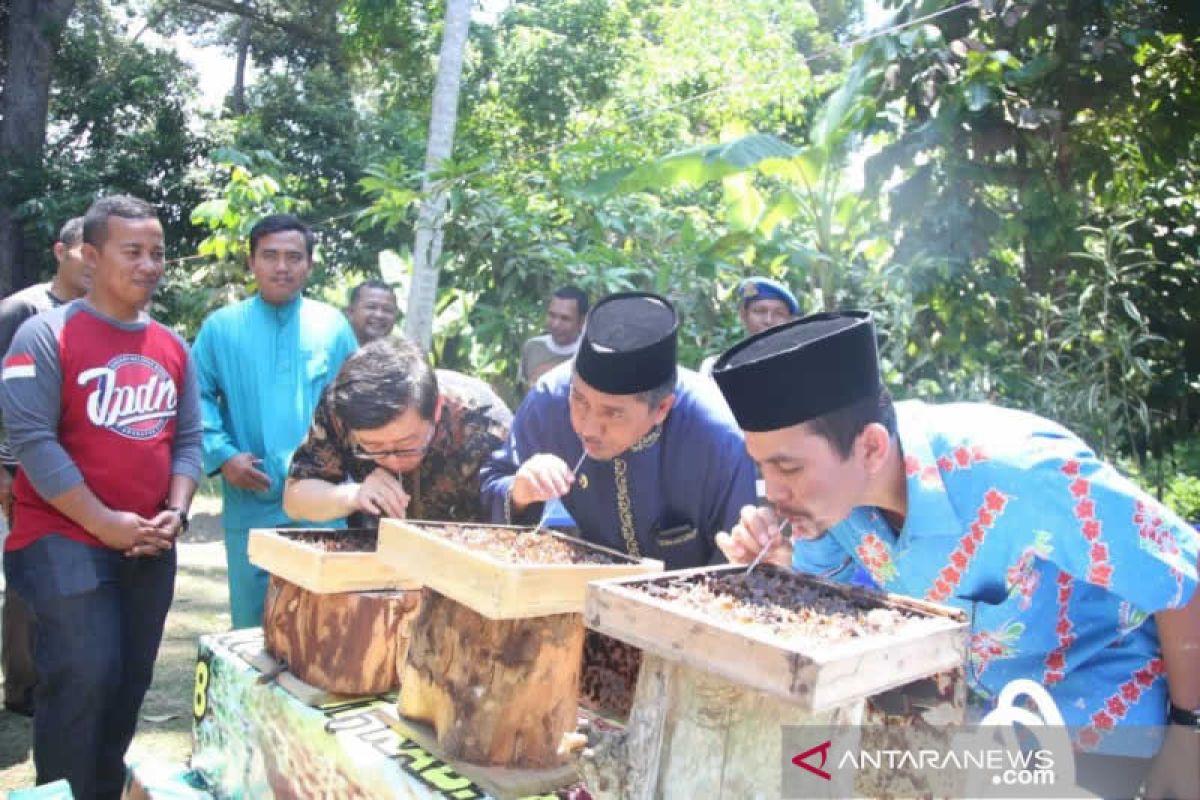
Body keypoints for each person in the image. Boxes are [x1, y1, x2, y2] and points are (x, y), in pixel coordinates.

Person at [711, 311, 1199, 799]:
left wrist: (1189, 732)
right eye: (761, 467)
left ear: (872, 448)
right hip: (978, 718)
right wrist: (781, 561)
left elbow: (1184, 575)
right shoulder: (833, 501)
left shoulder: (1021, 475)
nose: (772, 492)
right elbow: (830, 605)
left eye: (787, 467)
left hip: (1096, 714)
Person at [0, 195, 202, 799]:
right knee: (84, 674)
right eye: (132, 251)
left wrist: (179, 509)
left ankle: (99, 791)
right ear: (91, 255)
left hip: (147, 543)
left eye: (157, 253)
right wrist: (105, 522)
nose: (149, 265)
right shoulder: (42, 335)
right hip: (60, 538)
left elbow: (187, 440)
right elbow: (33, 442)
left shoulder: (173, 345)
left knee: (128, 682)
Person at [482, 291, 756, 569]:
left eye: (612, 413)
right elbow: (492, 486)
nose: (587, 428)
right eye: (579, 400)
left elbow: (738, 563)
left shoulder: (718, 436)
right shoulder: (549, 400)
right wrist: (520, 493)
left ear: (661, 409)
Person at [192, 214, 358, 629]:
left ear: (310, 265)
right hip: (252, 496)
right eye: (269, 256)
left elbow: (357, 401)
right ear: (252, 262)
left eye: (292, 257)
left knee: (321, 620)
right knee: (251, 624)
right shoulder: (220, 328)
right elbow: (194, 397)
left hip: (322, 500)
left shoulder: (333, 326)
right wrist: (223, 456)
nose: (281, 267)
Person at [0, 215, 92, 717]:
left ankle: (64, 680)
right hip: (23, 473)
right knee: (27, 579)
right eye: (86, 252)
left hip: (82, 477)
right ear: (62, 252)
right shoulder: (23, 310)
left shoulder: (102, 314)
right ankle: (23, 688)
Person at [284, 336, 512, 527]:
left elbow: (520, 509)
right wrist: (353, 495)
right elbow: (294, 499)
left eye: (407, 444)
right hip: (376, 559)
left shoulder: (485, 422)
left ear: (436, 409)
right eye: (373, 447)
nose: (392, 460)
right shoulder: (340, 407)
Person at [698, 276, 800, 376]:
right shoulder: (717, 368)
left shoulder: (800, 364)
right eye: (760, 311)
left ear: (789, 321)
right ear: (744, 315)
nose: (768, 320)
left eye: (779, 314)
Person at [519, 286, 587, 386]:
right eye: (552, 315)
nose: (556, 324)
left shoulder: (589, 355)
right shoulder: (532, 347)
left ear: (582, 321)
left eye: (565, 318)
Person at [345, 279, 400, 345]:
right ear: (351, 312)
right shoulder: (333, 349)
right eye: (371, 307)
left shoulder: (402, 353)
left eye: (387, 309)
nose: (379, 315)